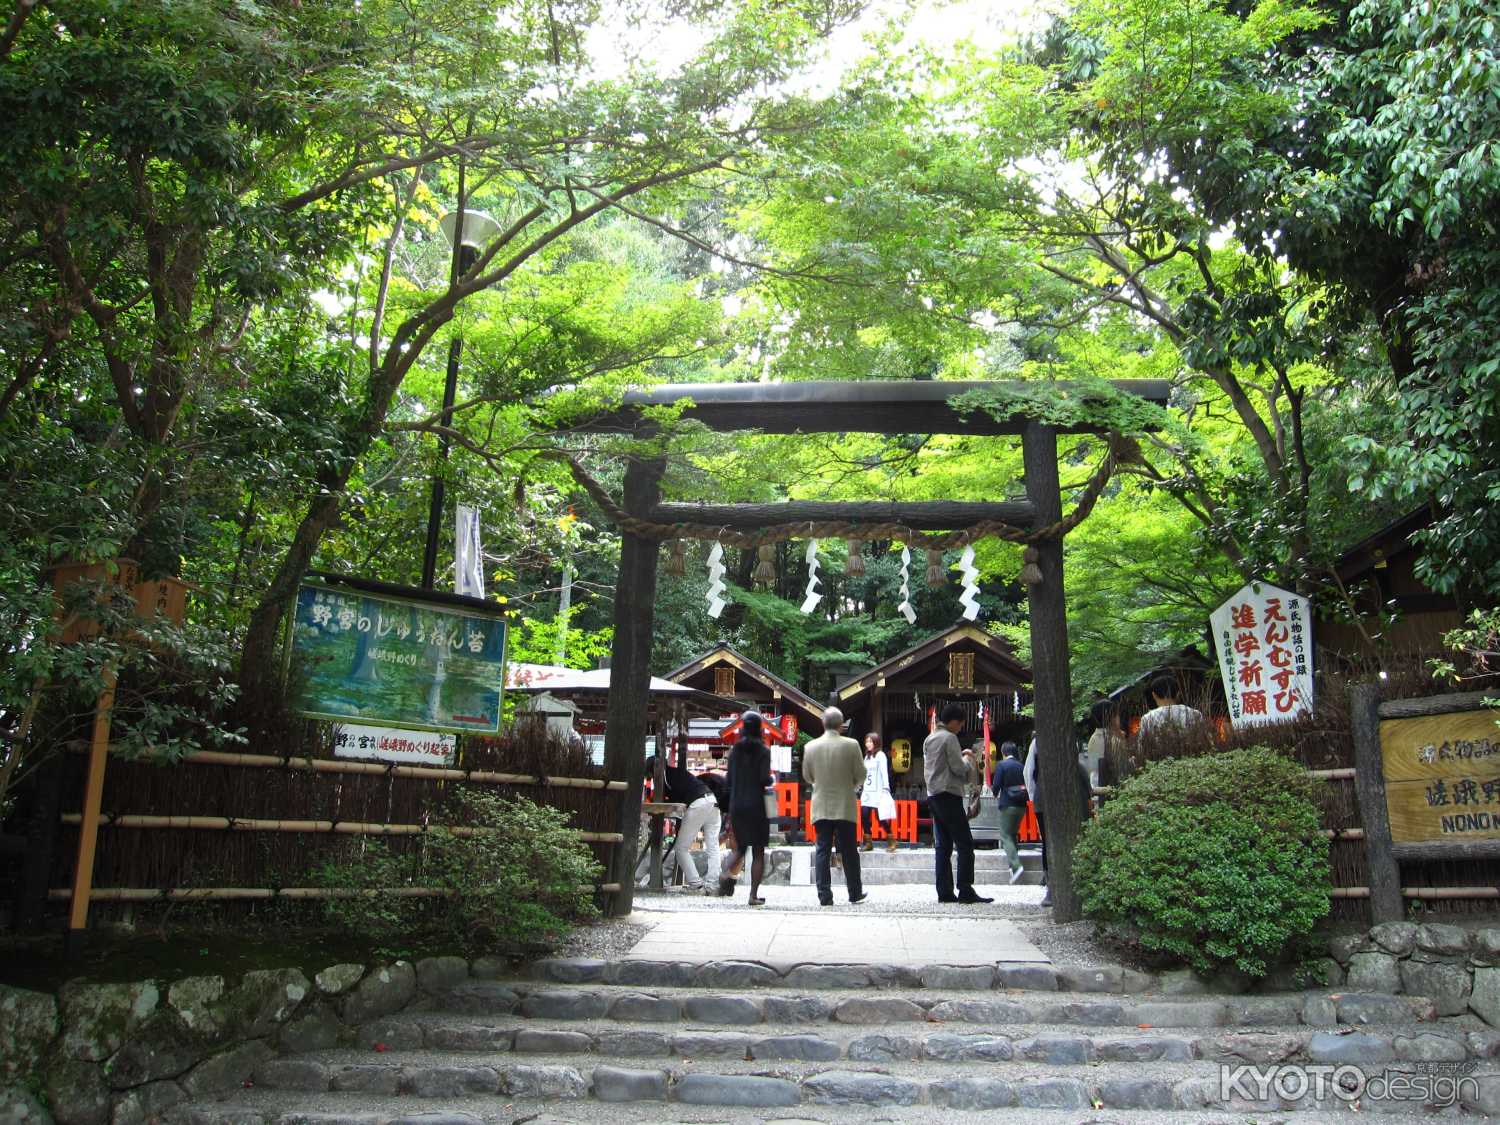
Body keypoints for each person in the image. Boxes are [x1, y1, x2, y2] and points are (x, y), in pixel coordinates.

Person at [922, 703, 993, 904]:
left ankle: (944, 891)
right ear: (953, 722)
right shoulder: (949, 738)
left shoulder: (930, 738)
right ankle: (965, 889)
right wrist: (967, 757)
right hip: (949, 794)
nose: (960, 728)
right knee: (964, 843)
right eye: (960, 724)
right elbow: (958, 769)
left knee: (943, 845)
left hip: (934, 795)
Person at [802, 706, 869, 906]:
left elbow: (807, 776)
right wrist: (851, 785)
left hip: (821, 803)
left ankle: (824, 895)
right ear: (842, 725)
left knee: (822, 848)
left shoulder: (811, 747)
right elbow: (861, 774)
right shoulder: (851, 745)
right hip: (845, 804)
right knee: (849, 849)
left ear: (823, 723)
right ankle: (854, 892)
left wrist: (819, 783)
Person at [646, 754, 721, 895]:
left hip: (699, 804)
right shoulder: (676, 773)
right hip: (712, 801)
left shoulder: (666, 779)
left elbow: (673, 802)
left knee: (681, 848)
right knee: (713, 846)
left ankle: (696, 885)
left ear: (654, 769)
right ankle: (713, 885)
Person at [720, 710, 773, 905]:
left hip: (738, 804)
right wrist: (771, 779)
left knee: (741, 847)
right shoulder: (763, 751)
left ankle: (725, 873)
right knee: (758, 850)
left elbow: (728, 780)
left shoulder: (735, 751)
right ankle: (753, 895)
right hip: (757, 804)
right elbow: (763, 779)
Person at [1136, 675, 1206, 753]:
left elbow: (1142, 748)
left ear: (1154, 695)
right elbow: (1204, 741)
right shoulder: (1195, 714)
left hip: (1160, 762)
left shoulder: (1148, 718)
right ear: (1178, 693)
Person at [990, 740, 1028, 884]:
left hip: (1008, 804)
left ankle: (1016, 866)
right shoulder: (1021, 765)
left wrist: (993, 793)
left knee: (1005, 835)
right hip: (1021, 805)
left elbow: (997, 785)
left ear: (1004, 752)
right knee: (1013, 834)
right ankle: (1013, 867)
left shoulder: (1002, 765)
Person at [859, 732, 898, 853]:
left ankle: (891, 839)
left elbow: (884, 772)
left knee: (880, 817)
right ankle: (868, 842)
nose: (868, 744)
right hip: (867, 791)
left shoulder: (880, 755)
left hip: (878, 791)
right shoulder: (867, 757)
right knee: (864, 816)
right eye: (867, 741)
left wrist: (886, 789)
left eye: (870, 741)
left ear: (876, 742)